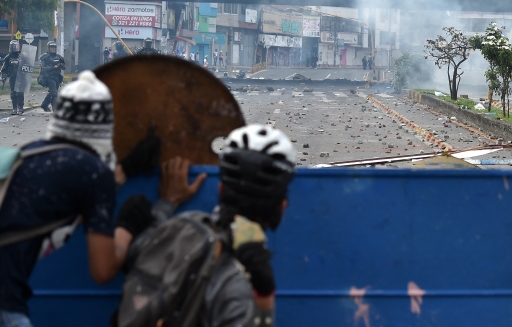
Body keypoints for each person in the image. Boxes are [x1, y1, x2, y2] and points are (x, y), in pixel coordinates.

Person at [0, 71, 193, 327]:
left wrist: (123, 171)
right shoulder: (94, 173)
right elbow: (103, 270)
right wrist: (128, 226)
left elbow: (63, 197)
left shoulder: (27, 154)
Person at [119, 125, 295, 327]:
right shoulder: (242, 285)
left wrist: (165, 204)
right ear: (282, 206)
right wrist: (264, 296)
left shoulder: (182, 226)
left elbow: (136, 254)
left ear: (220, 190)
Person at [39, 41, 65, 113]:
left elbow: (64, 67)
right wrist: (53, 67)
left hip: (57, 77)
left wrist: (60, 65)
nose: (53, 49)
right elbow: (44, 68)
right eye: (51, 48)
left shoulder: (59, 57)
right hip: (48, 77)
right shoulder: (45, 57)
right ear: (48, 48)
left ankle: (44, 105)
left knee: (53, 92)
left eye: (54, 48)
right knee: (54, 93)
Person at [1, 40, 23, 115]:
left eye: (15, 46)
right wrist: (3, 76)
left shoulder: (22, 56)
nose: (13, 48)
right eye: (12, 46)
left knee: (19, 93)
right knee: (13, 94)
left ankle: (20, 108)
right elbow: (4, 68)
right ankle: (14, 108)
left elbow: (27, 66)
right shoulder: (8, 57)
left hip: (20, 77)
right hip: (12, 77)